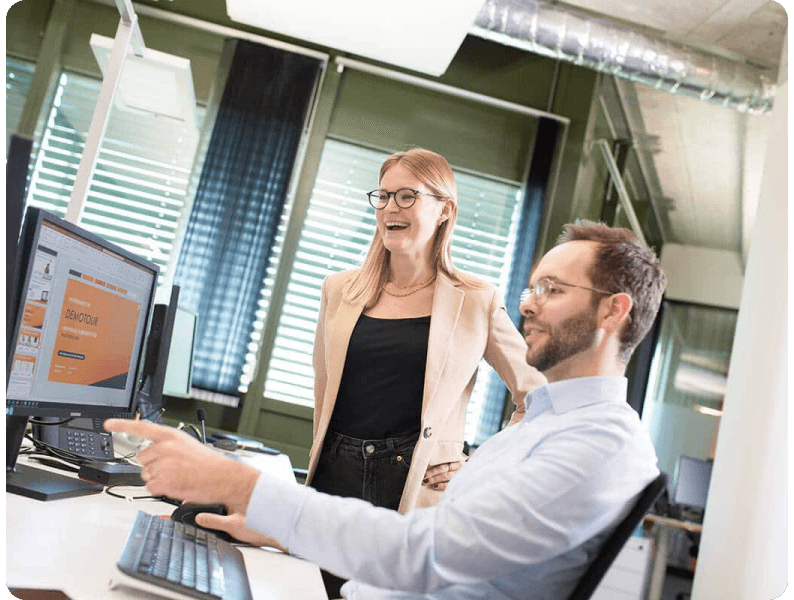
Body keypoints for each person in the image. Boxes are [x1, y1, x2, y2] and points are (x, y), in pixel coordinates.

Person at [106, 220, 667, 600]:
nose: (528, 306)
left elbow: (425, 553)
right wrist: (283, 533)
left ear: (613, 311)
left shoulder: (599, 446)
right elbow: (431, 538)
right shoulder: (547, 424)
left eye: (551, 290)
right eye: (531, 289)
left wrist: (237, 482)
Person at [308, 148, 543, 596]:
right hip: (333, 476)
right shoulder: (339, 289)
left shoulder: (476, 300)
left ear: (445, 210)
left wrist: (477, 467)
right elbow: (324, 386)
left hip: (413, 485)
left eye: (407, 196)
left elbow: (538, 396)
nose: (390, 208)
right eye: (383, 196)